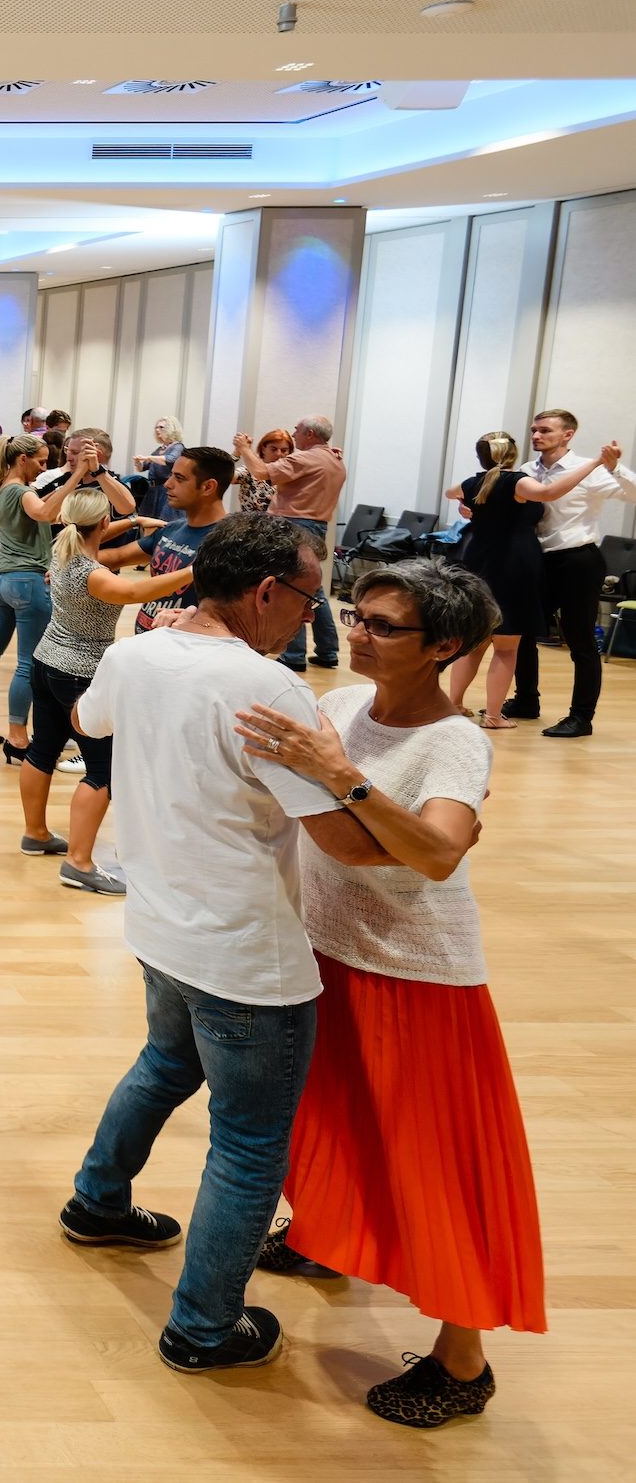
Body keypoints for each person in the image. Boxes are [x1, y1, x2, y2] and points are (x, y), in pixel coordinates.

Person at [60, 513, 397, 1374]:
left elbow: (86, 722)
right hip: (246, 952)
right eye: (311, 599)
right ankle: (205, 1326)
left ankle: (98, 1201)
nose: (310, 618)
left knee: (165, 1063)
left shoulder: (140, 650)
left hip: (160, 922)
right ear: (265, 592)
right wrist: (345, 774)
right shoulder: (268, 686)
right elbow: (347, 843)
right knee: (248, 1142)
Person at [231, 560, 539, 1428]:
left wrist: (342, 778)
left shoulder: (455, 740)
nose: (357, 631)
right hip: (325, 949)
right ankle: (329, 1236)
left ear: (444, 646)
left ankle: (464, 1356)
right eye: (355, 614)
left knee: (435, 1163)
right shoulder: (336, 707)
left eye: (383, 624)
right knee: (329, 1119)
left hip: (418, 976)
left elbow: (439, 853)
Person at [20, 488, 195, 894]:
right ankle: (79, 863)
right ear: (102, 524)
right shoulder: (90, 572)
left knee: (43, 748)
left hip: (47, 660)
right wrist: (194, 571)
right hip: (80, 673)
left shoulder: (63, 552)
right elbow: (134, 593)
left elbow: (102, 540)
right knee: (103, 768)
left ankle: (36, 833)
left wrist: (134, 523)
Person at [447, 429, 615, 728]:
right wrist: (593, 463)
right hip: (513, 564)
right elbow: (550, 493)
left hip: (478, 561)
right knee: (506, 646)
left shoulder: (474, 481)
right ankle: (495, 716)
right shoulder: (516, 482)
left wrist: (465, 502)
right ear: (511, 453)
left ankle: (454, 703)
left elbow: (451, 491)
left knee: (474, 642)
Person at [504, 409, 636, 737]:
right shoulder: (527, 469)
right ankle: (526, 701)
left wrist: (615, 466)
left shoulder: (588, 468)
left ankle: (581, 718)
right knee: (519, 632)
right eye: (534, 430)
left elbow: (633, 494)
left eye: (545, 430)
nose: (536, 436)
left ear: (568, 434)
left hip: (579, 560)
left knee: (580, 641)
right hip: (539, 560)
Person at [0, 435, 70, 759]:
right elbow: (46, 513)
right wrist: (75, 477)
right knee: (27, 664)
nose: (44, 467)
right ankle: (18, 737)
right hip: (28, 582)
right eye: (41, 461)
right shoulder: (22, 493)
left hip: (0, 580)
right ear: (22, 459)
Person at [233, 416, 347, 672]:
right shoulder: (335, 459)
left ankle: (294, 655)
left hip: (294, 526)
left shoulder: (305, 459)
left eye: (297, 430)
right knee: (313, 591)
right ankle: (328, 652)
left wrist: (244, 450)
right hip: (317, 526)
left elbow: (261, 473)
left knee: (289, 591)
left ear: (309, 433)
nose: (294, 435)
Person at [118, 446, 234, 633]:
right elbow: (113, 557)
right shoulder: (172, 528)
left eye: (179, 478)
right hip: (147, 642)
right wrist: (133, 521)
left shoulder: (231, 543)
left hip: (187, 651)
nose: (167, 484)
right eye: (171, 475)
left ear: (208, 487)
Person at [132, 418, 184, 525]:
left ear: (171, 429)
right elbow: (142, 468)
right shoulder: (159, 449)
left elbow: (170, 460)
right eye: (156, 427)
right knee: (149, 521)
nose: (157, 430)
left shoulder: (178, 446)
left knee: (165, 521)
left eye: (161, 427)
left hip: (166, 491)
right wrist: (138, 462)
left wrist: (148, 457)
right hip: (153, 490)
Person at [233, 429, 289, 516]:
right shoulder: (249, 471)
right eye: (273, 449)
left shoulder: (291, 474)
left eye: (284, 450)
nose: (279, 454)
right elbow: (224, 476)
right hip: (250, 527)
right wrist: (236, 453)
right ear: (263, 449)